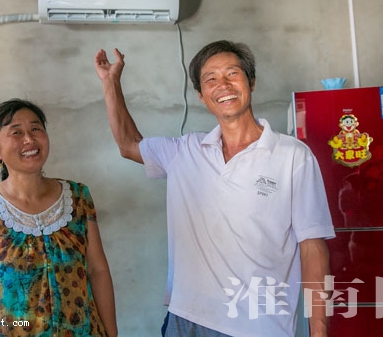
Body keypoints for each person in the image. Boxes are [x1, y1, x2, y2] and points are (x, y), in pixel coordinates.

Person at [94, 41, 335, 337]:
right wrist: (110, 83)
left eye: (232, 74)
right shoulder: (185, 150)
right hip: (185, 320)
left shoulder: (293, 156)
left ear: (251, 82)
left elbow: (312, 248)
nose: (223, 85)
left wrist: (319, 331)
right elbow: (128, 145)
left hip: (258, 326)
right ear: (201, 95)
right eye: (211, 79)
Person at [0, 99, 117, 337]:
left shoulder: (78, 198)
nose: (29, 139)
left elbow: (97, 271)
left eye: (36, 129)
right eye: (16, 132)